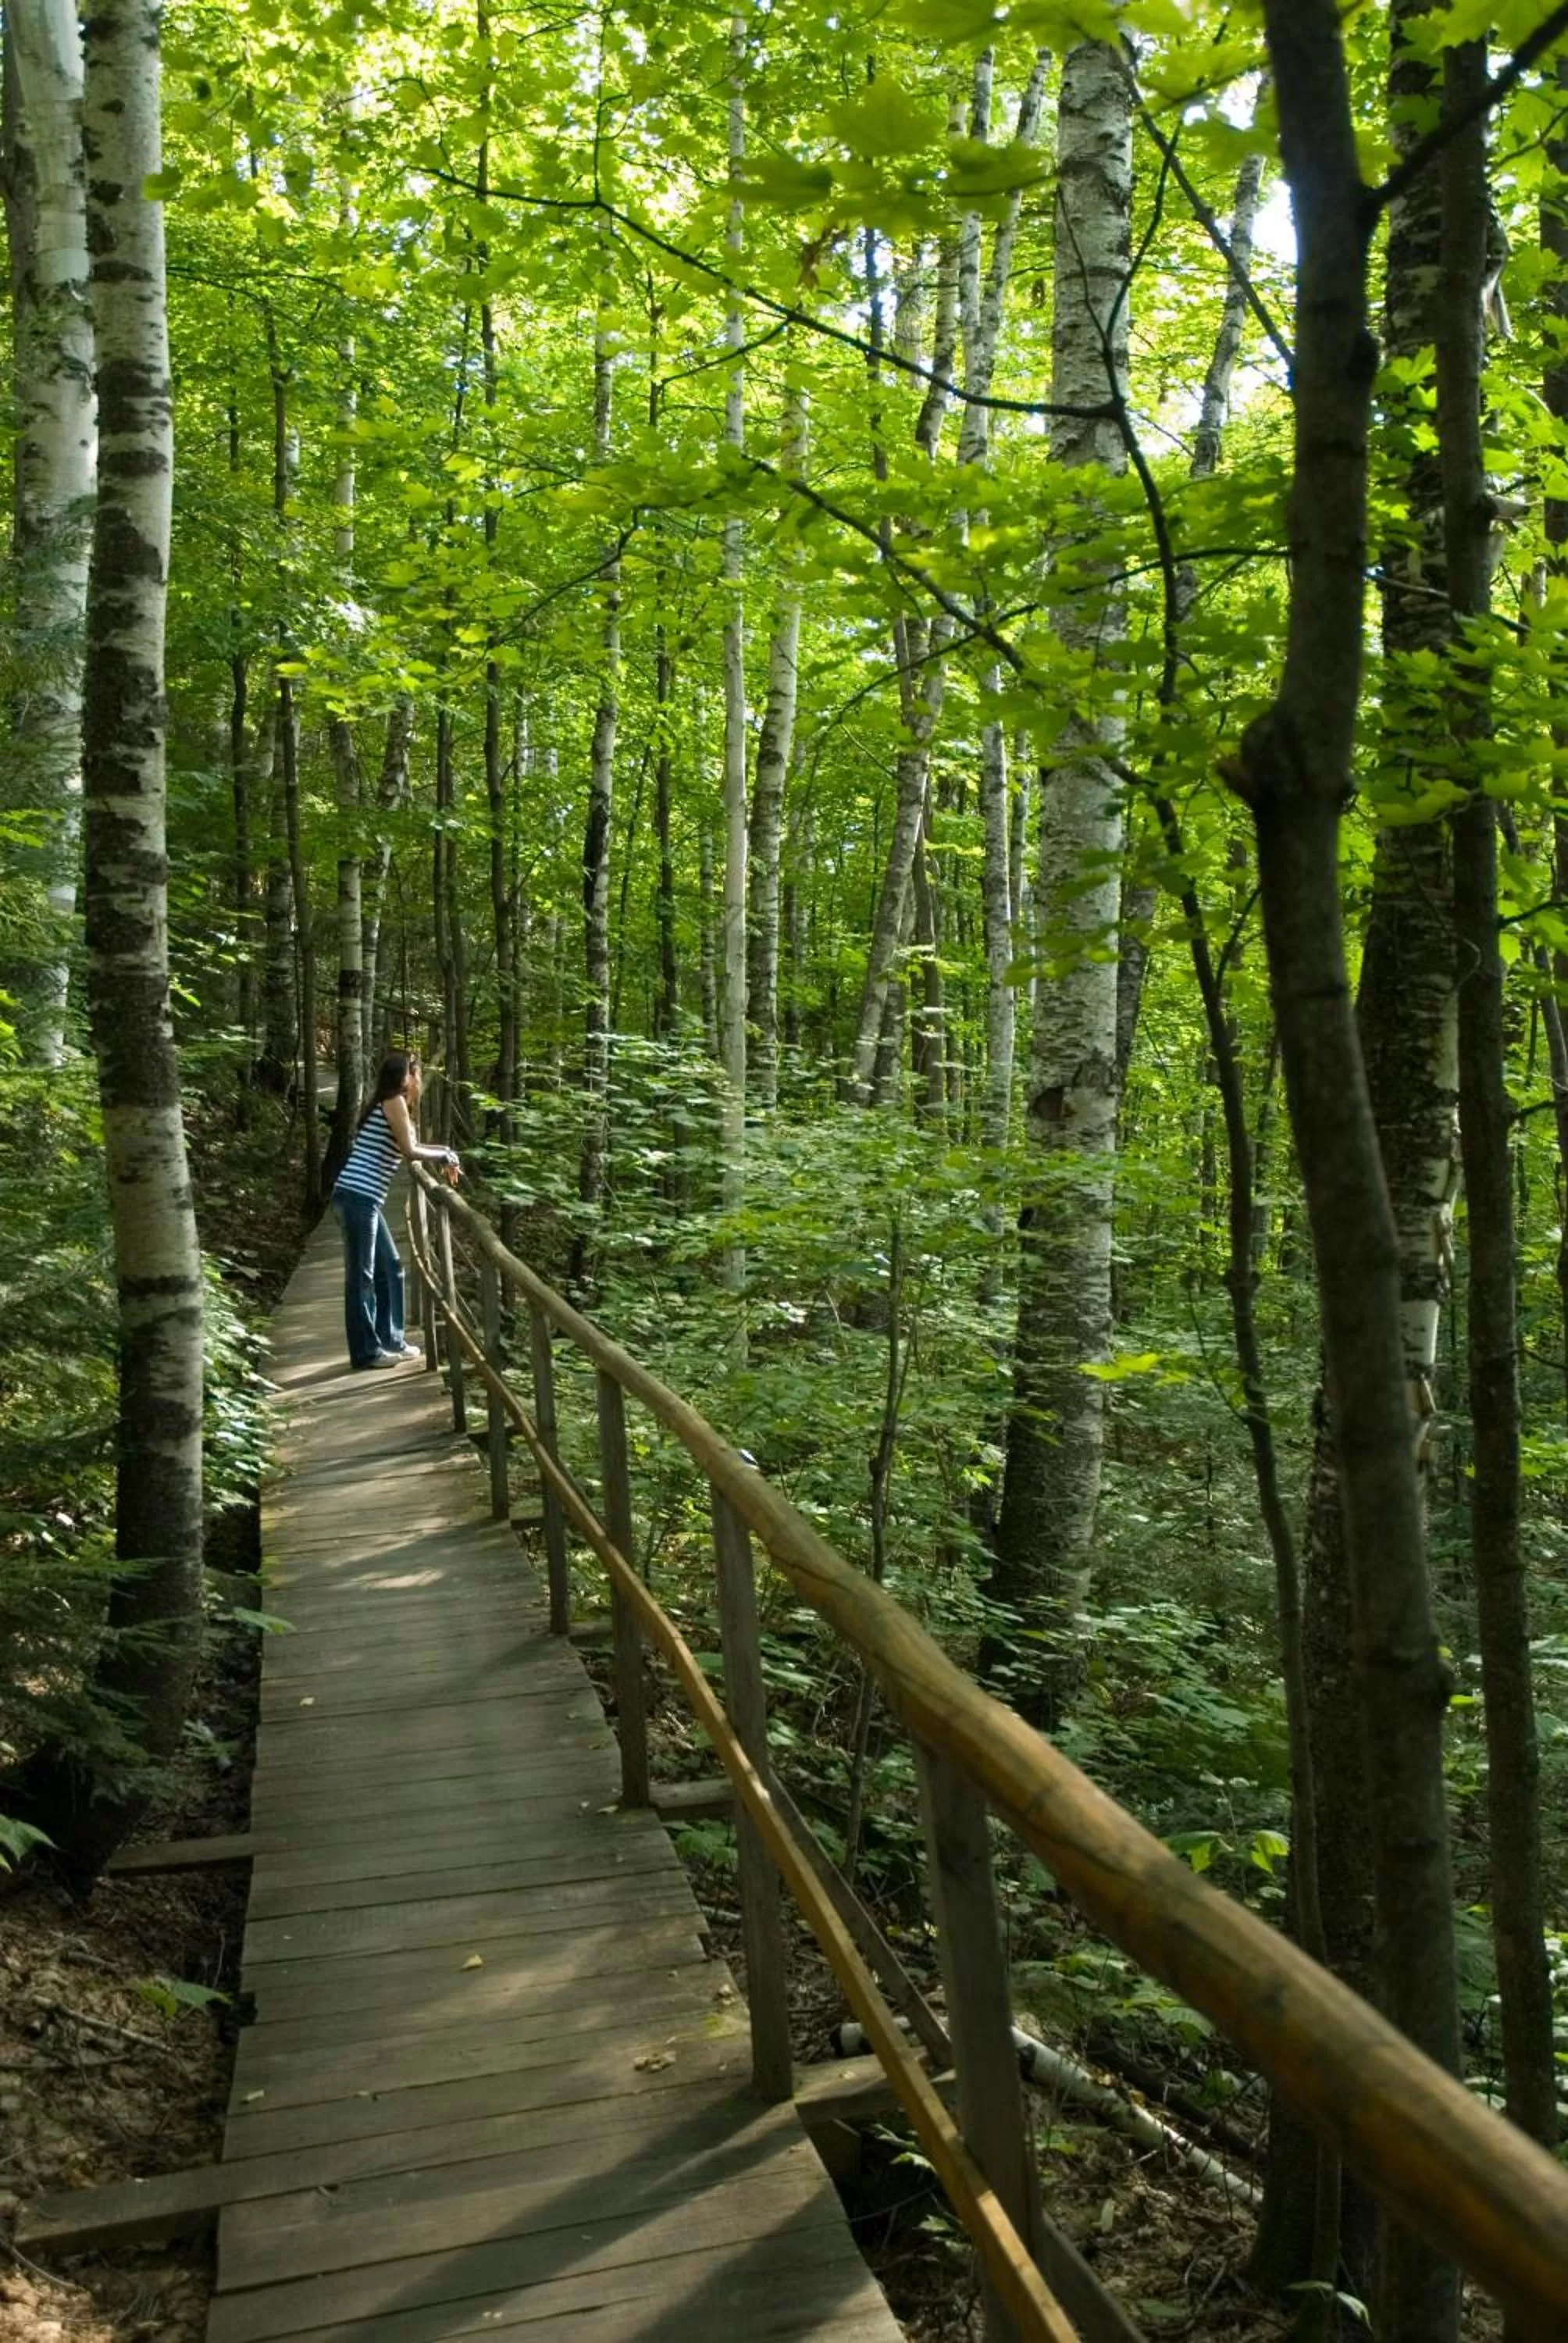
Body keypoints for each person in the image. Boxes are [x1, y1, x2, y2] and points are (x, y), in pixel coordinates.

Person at [333, 1050, 460, 1370]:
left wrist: (443, 1154)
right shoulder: (394, 1102)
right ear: (406, 1077)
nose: (420, 1079)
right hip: (358, 1196)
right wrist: (445, 1154)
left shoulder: (394, 1104)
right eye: (416, 1072)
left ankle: (390, 1339)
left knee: (390, 1267)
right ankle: (366, 1353)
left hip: (365, 1198)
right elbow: (409, 1150)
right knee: (362, 1276)